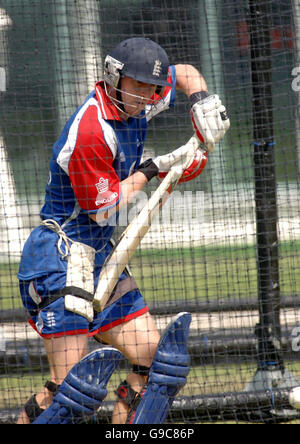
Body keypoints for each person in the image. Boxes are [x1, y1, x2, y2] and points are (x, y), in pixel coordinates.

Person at [17, 37, 230, 424]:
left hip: (98, 255)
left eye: (152, 89)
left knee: (158, 365)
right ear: (114, 78)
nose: (146, 97)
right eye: (137, 86)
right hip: (60, 257)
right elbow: (105, 210)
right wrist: (154, 168)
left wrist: (201, 100)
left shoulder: (141, 99)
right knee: (70, 392)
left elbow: (182, 72)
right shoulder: (92, 130)